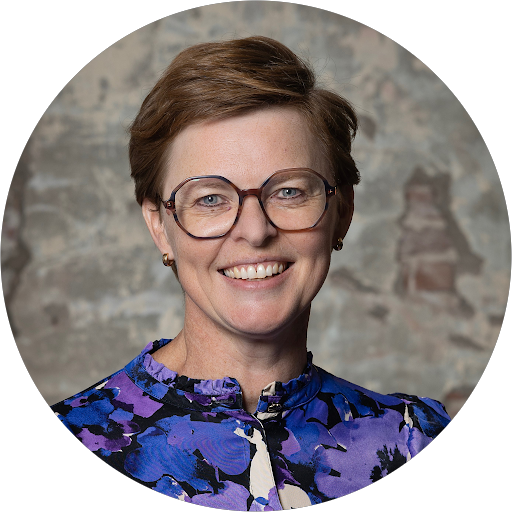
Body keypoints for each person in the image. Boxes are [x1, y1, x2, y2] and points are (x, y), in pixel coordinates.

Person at [51, 36, 450, 509]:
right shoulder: (80, 436)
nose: (256, 231)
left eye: (289, 192)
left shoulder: (413, 439)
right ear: (160, 226)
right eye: (210, 199)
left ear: (342, 211)